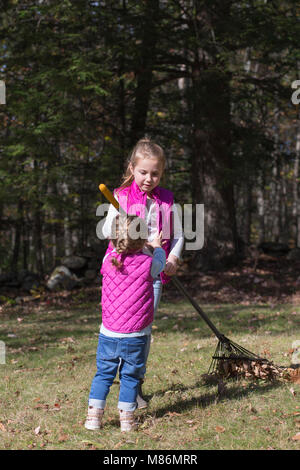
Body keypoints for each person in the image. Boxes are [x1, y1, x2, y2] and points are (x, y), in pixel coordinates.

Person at [100, 137, 184, 408]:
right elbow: (106, 232)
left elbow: (179, 235)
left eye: (155, 173)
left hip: (152, 277)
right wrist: (124, 228)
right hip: (121, 275)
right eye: (143, 172)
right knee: (117, 330)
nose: (149, 178)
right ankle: (109, 382)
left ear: (162, 173)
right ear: (132, 169)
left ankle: (133, 387)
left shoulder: (166, 201)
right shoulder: (120, 197)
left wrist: (172, 256)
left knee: (142, 332)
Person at [85, 215, 166, 432]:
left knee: (103, 374)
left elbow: (112, 248)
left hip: (109, 332)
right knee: (130, 376)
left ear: (113, 239)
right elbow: (161, 263)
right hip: (136, 335)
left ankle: (93, 418)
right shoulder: (150, 263)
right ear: (143, 241)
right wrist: (156, 246)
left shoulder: (107, 260)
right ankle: (127, 420)